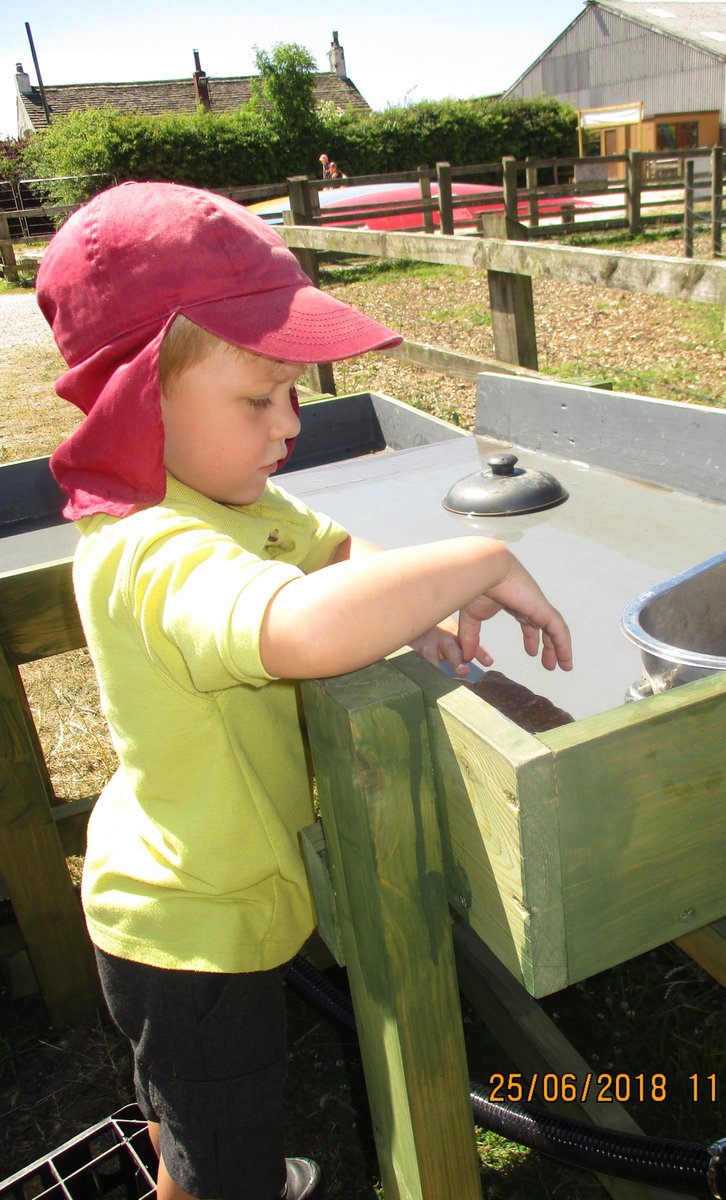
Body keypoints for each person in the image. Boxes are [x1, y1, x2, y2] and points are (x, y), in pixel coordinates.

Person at [35, 181, 572, 1200]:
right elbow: (300, 629)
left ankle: (196, 1158)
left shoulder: (226, 495)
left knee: (192, 1103)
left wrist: (402, 598)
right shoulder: (150, 548)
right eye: (260, 397)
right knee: (217, 1121)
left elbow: (331, 551)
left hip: (216, 884)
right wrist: (474, 558)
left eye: (295, 390)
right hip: (190, 928)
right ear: (140, 396)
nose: (293, 422)